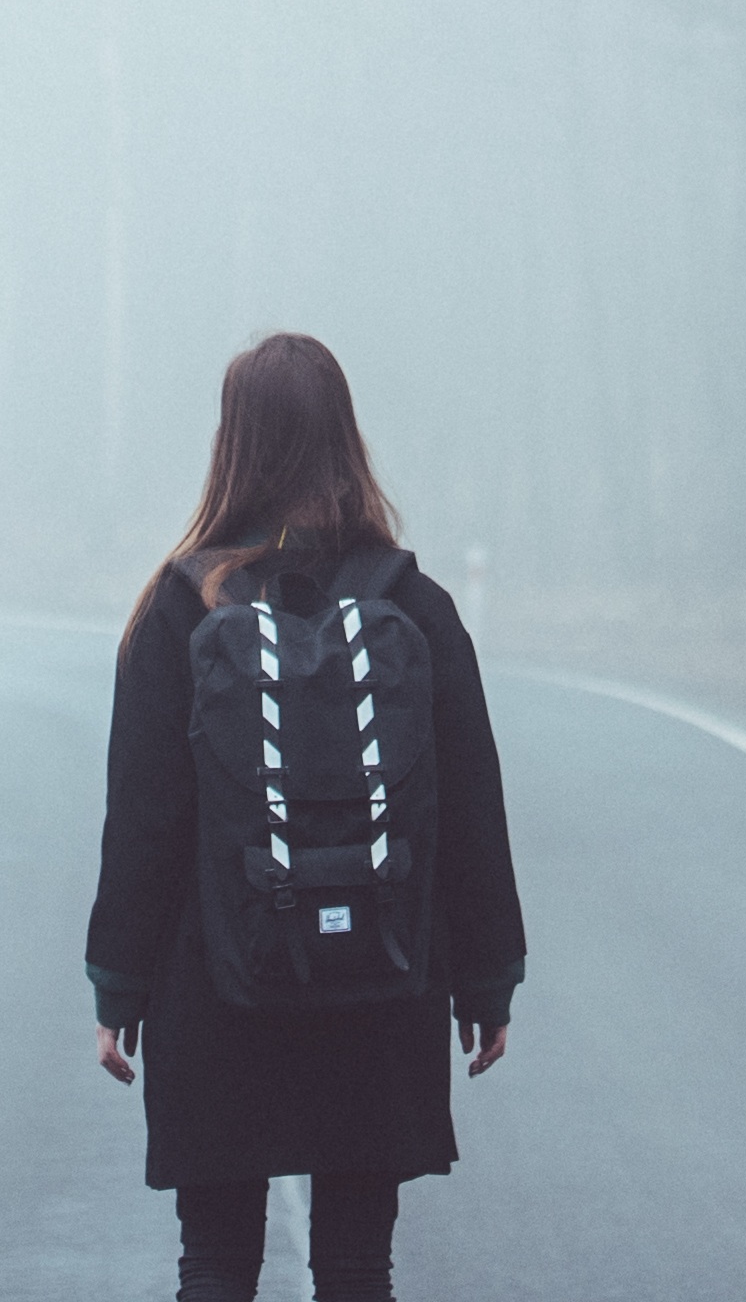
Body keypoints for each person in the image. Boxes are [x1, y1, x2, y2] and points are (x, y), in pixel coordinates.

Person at [83, 333, 526, 1302]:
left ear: (231, 440)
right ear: (344, 433)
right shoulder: (418, 604)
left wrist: (119, 984)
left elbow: (146, 819)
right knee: (358, 1268)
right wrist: (486, 980)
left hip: (218, 982)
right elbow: (470, 807)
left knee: (214, 1266)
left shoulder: (177, 609)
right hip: (382, 975)